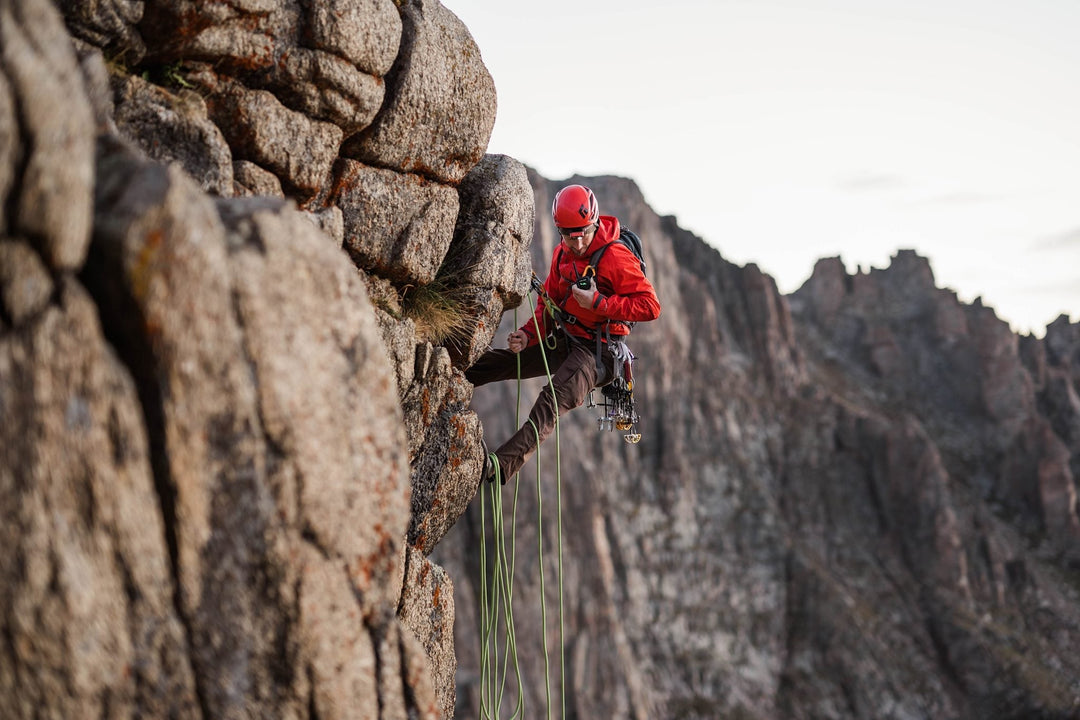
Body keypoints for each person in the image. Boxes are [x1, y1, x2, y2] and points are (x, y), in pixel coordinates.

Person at [466, 184, 661, 483]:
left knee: (553, 399)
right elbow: (550, 303)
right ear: (560, 230)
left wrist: (600, 303)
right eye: (570, 233)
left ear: (594, 222)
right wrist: (528, 335)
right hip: (567, 336)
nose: (578, 240)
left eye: (584, 231)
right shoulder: (562, 255)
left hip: (600, 352)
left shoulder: (615, 257)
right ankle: (456, 375)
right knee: (506, 361)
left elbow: (650, 306)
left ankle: (499, 466)